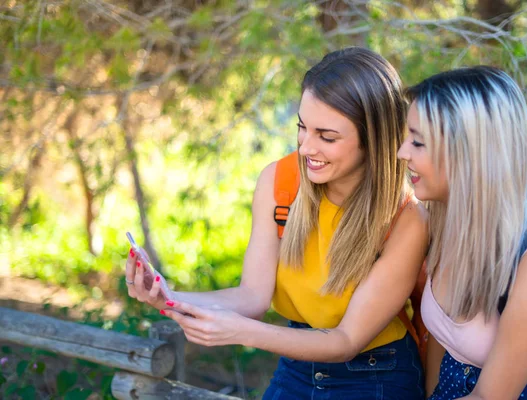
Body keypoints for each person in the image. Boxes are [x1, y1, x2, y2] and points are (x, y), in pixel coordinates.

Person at [125, 47, 429, 399]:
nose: (305, 148)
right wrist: (167, 297)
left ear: (373, 138)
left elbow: (346, 341)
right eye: (302, 128)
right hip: (296, 365)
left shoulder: (406, 217)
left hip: (378, 372)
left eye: (326, 137)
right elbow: (252, 296)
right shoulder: (280, 182)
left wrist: (242, 332)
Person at [397, 66, 527, 400]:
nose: (403, 152)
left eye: (418, 142)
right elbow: (442, 341)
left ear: (470, 155)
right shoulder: (443, 222)